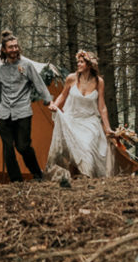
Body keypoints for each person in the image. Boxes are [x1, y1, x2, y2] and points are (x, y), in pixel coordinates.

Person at [46, 50, 119, 178]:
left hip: (89, 121)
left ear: (90, 64)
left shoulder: (98, 81)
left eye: (82, 62)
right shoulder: (71, 78)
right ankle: (75, 178)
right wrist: (55, 105)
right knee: (72, 151)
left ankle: (87, 176)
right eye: (78, 62)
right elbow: (63, 95)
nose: (78, 64)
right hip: (72, 119)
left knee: (87, 147)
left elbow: (102, 107)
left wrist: (107, 128)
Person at [0, 32, 49, 183]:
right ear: (4, 50)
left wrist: (49, 100)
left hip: (23, 112)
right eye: (10, 47)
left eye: (16, 46)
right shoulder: (0, 70)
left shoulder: (27, 66)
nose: (14, 49)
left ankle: (37, 174)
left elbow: (39, 84)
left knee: (23, 146)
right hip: (4, 114)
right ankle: (16, 180)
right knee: (8, 148)